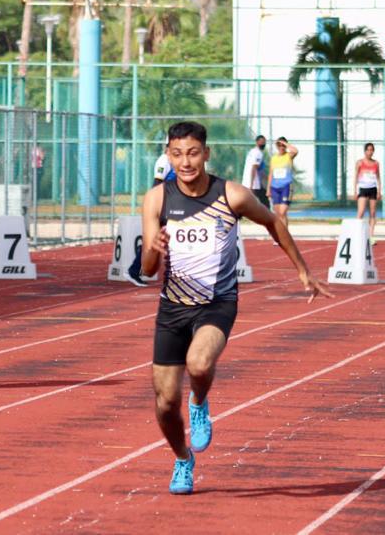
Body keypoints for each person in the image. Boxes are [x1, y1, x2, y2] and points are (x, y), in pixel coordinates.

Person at [140, 121, 331, 495]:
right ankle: (182, 458)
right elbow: (147, 269)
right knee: (165, 404)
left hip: (217, 303)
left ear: (206, 154)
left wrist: (303, 271)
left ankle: (199, 402)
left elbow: (273, 222)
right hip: (173, 308)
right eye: (177, 154)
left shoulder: (231, 195)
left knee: (199, 363)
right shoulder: (157, 199)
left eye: (193, 153)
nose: (185, 162)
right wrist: (154, 248)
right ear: (168, 156)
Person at [124, 151, 179, 287]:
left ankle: (135, 270)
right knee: (155, 239)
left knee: (168, 238)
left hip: (174, 205)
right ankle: (134, 271)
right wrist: (156, 206)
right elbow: (157, 183)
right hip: (164, 207)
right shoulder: (164, 160)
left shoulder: (179, 161)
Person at [266, 137, 298, 228]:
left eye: (283, 145)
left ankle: (285, 233)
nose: (281, 147)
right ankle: (280, 233)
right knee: (278, 213)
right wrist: (268, 189)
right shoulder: (274, 158)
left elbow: (295, 151)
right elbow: (271, 174)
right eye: (279, 145)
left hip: (286, 186)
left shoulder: (289, 156)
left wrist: (285, 144)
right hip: (275, 187)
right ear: (277, 146)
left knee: (283, 212)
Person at [354, 142, 382, 239]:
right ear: (365, 151)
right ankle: (357, 233)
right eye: (368, 150)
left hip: (373, 189)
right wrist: (355, 191)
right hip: (363, 189)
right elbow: (356, 177)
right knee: (361, 212)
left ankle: (371, 235)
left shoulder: (376, 163)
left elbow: (378, 177)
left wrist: (379, 191)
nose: (370, 152)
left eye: (372, 150)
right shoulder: (359, 163)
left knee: (372, 212)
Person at [241, 135, 269, 208]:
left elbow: (259, 170)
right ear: (257, 142)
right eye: (261, 142)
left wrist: (268, 178)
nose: (263, 144)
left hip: (248, 182)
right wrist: (251, 184)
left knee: (262, 201)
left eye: (264, 142)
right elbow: (254, 168)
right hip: (254, 183)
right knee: (263, 203)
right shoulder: (258, 153)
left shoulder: (252, 151)